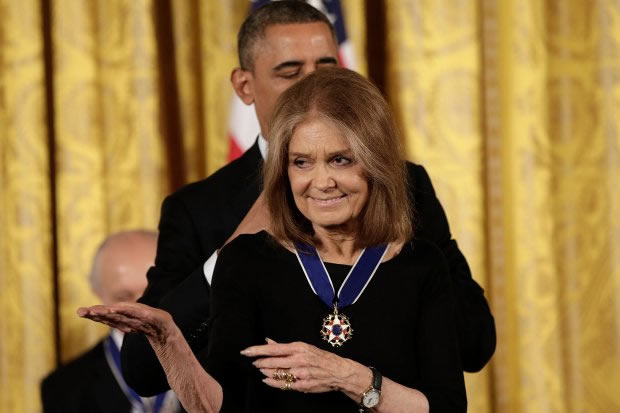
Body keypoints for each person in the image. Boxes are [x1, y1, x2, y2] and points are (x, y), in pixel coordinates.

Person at [121, 0, 495, 397]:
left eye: (327, 68)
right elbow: (143, 371)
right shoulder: (199, 209)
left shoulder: (402, 184)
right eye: (291, 72)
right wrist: (227, 253)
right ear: (244, 86)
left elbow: (475, 345)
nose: (315, 85)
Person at [80, 67, 467, 412]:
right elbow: (223, 407)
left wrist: (348, 377)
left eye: (340, 159)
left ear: (376, 162)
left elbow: (446, 407)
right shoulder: (247, 262)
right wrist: (168, 340)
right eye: (301, 162)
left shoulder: (421, 265)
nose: (321, 181)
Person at [41, 231, 181, 413]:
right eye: (124, 297)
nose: (141, 309)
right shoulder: (64, 388)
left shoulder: (219, 362)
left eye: (152, 291)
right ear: (98, 292)